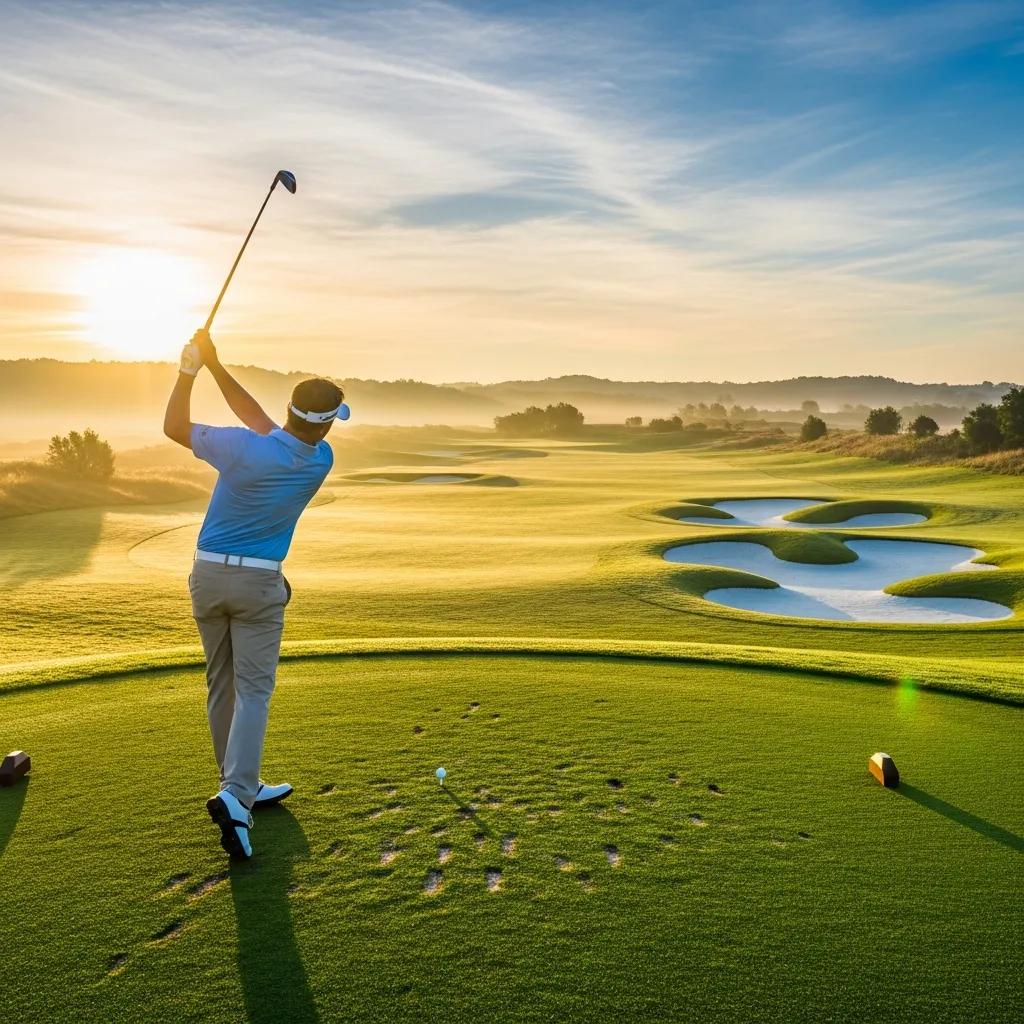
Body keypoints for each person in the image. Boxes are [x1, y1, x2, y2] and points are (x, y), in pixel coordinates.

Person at [163, 329, 349, 859]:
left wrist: (191, 370)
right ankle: (238, 795)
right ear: (327, 422)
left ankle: (238, 782)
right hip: (259, 584)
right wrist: (216, 366)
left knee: (222, 684)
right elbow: (260, 421)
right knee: (255, 690)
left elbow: (175, 426)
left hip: (207, 576)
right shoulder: (319, 459)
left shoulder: (243, 447)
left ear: (287, 410)